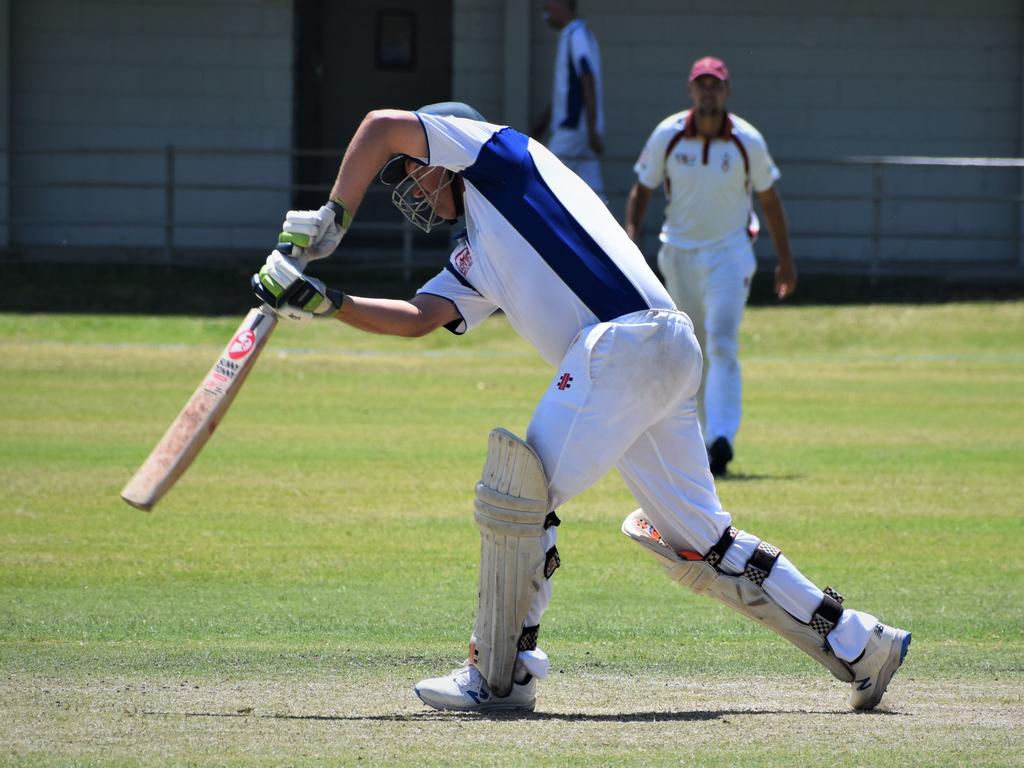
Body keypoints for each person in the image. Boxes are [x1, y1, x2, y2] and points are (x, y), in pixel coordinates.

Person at [252, 101, 910, 715]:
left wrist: (332, 217)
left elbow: (379, 126)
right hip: (663, 351)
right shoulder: (475, 251)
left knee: (518, 495)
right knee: (706, 541)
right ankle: (859, 643)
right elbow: (420, 318)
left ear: (444, 150)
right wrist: (325, 301)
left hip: (624, 344)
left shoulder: (497, 156)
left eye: (418, 171)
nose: (416, 188)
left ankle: (501, 677)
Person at [624, 56, 798, 477]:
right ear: (690, 90)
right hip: (679, 252)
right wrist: (631, 241)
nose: (708, 92)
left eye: (715, 85)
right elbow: (642, 190)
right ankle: (698, 440)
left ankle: (722, 437)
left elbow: (770, 199)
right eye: (701, 84)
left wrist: (786, 261)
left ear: (727, 91)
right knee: (690, 346)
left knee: (721, 340)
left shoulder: (746, 140)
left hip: (730, 253)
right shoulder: (668, 134)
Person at [529, 0, 606, 198]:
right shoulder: (574, 35)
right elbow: (567, 91)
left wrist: (591, 129)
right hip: (581, 132)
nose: (546, 10)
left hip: (573, 130)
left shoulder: (576, 35)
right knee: (594, 194)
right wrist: (544, 122)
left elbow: (586, 79)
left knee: (543, 178)